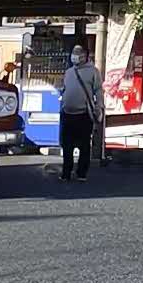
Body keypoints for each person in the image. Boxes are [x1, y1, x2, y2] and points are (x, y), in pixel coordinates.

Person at [60, 45, 102, 182]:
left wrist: (99, 107)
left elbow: (99, 91)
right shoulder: (69, 72)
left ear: (85, 56)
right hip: (67, 113)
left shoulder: (93, 72)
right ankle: (66, 172)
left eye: (78, 53)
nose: (75, 55)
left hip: (84, 114)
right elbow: (64, 89)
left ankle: (81, 173)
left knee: (84, 145)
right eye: (74, 52)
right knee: (67, 145)